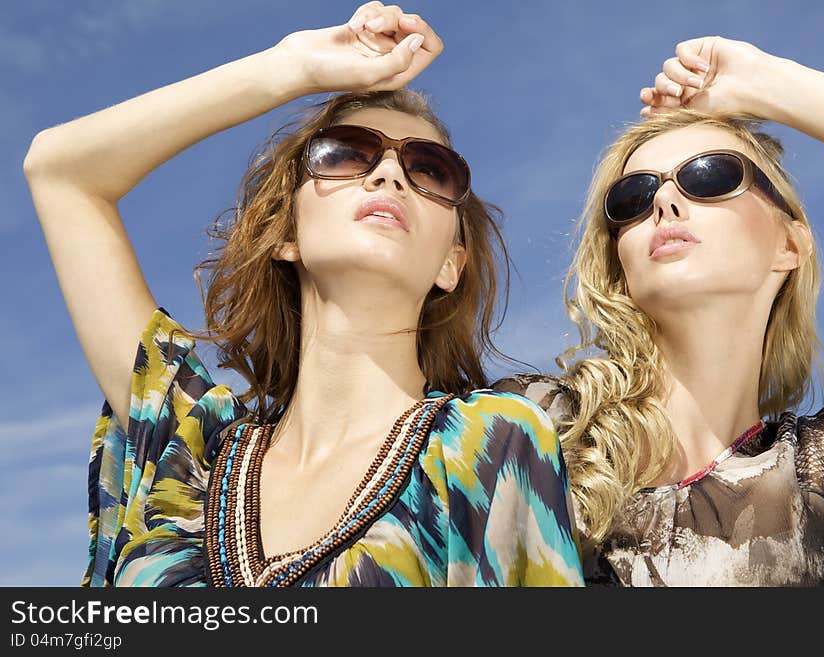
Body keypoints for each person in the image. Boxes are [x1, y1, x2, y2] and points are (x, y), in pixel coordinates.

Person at [24, 2, 583, 587]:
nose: (388, 175)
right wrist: (292, 67)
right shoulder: (189, 451)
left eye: (430, 170)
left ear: (451, 263)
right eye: (345, 154)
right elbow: (62, 172)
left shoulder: (489, 445)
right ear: (286, 233)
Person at [495, 36, 824, 586]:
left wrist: (769, 85)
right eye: (633, 196)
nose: (664, 202)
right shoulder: (533, 425)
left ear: (789, 244)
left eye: (710, 176)